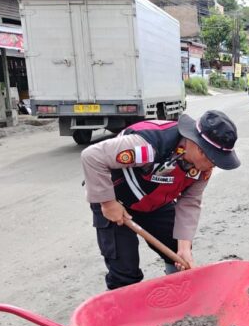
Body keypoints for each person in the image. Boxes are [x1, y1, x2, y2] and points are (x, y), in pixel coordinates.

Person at [81, 110, 240, 290]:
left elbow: (190, 202)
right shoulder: (150, 145)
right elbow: (91, 156)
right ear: (197, 147)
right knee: (125, 272)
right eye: (214, 159)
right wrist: (108, 203)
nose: (214, 165)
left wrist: (184, 248)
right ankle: (123, 312)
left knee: (176, 252)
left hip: (155, 203)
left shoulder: (202, 169)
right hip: (114, 200)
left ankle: (178, 295)